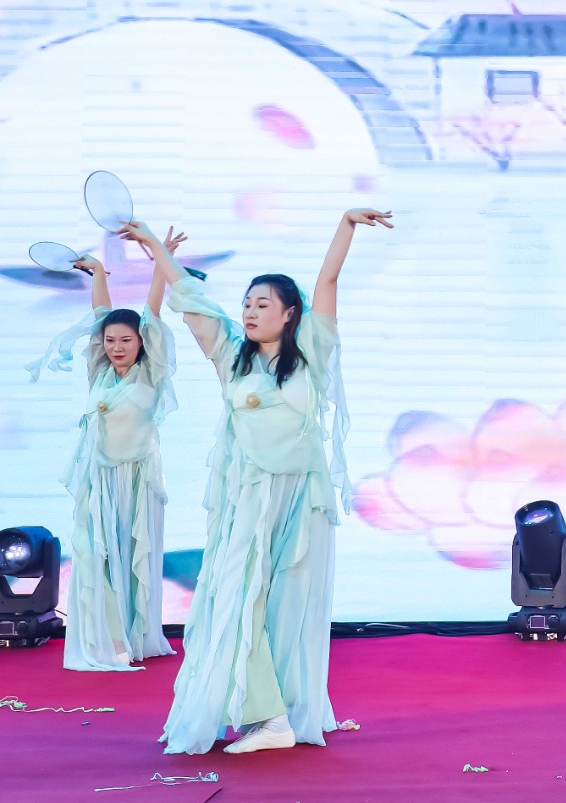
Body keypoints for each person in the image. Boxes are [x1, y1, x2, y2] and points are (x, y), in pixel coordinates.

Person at [121, 209, 392, 755]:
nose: (249, 311)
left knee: (285, 608)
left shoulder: (310, 353)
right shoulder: (231, 355)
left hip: (298, 504)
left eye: (263, 304)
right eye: (246, 303)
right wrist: (153, 245)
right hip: (247, 504)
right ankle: (265, 715)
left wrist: (344, 225)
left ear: (290, 315)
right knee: (237, 600)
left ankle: (281, 714)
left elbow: (327, 281)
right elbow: (191, 300)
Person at [27, 230, 186, 671]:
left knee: (135, 558)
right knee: (97, 556)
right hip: (99, 481)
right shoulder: (99, 372)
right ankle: (110, 638)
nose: (116, 347)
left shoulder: (150, 374)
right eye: (111, 340)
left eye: (126, 340)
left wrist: (161, 259)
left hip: (137, 481)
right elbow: (101, 314)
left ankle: (135, 637)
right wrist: (97, 271)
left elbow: (152, 314)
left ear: (141, 343)